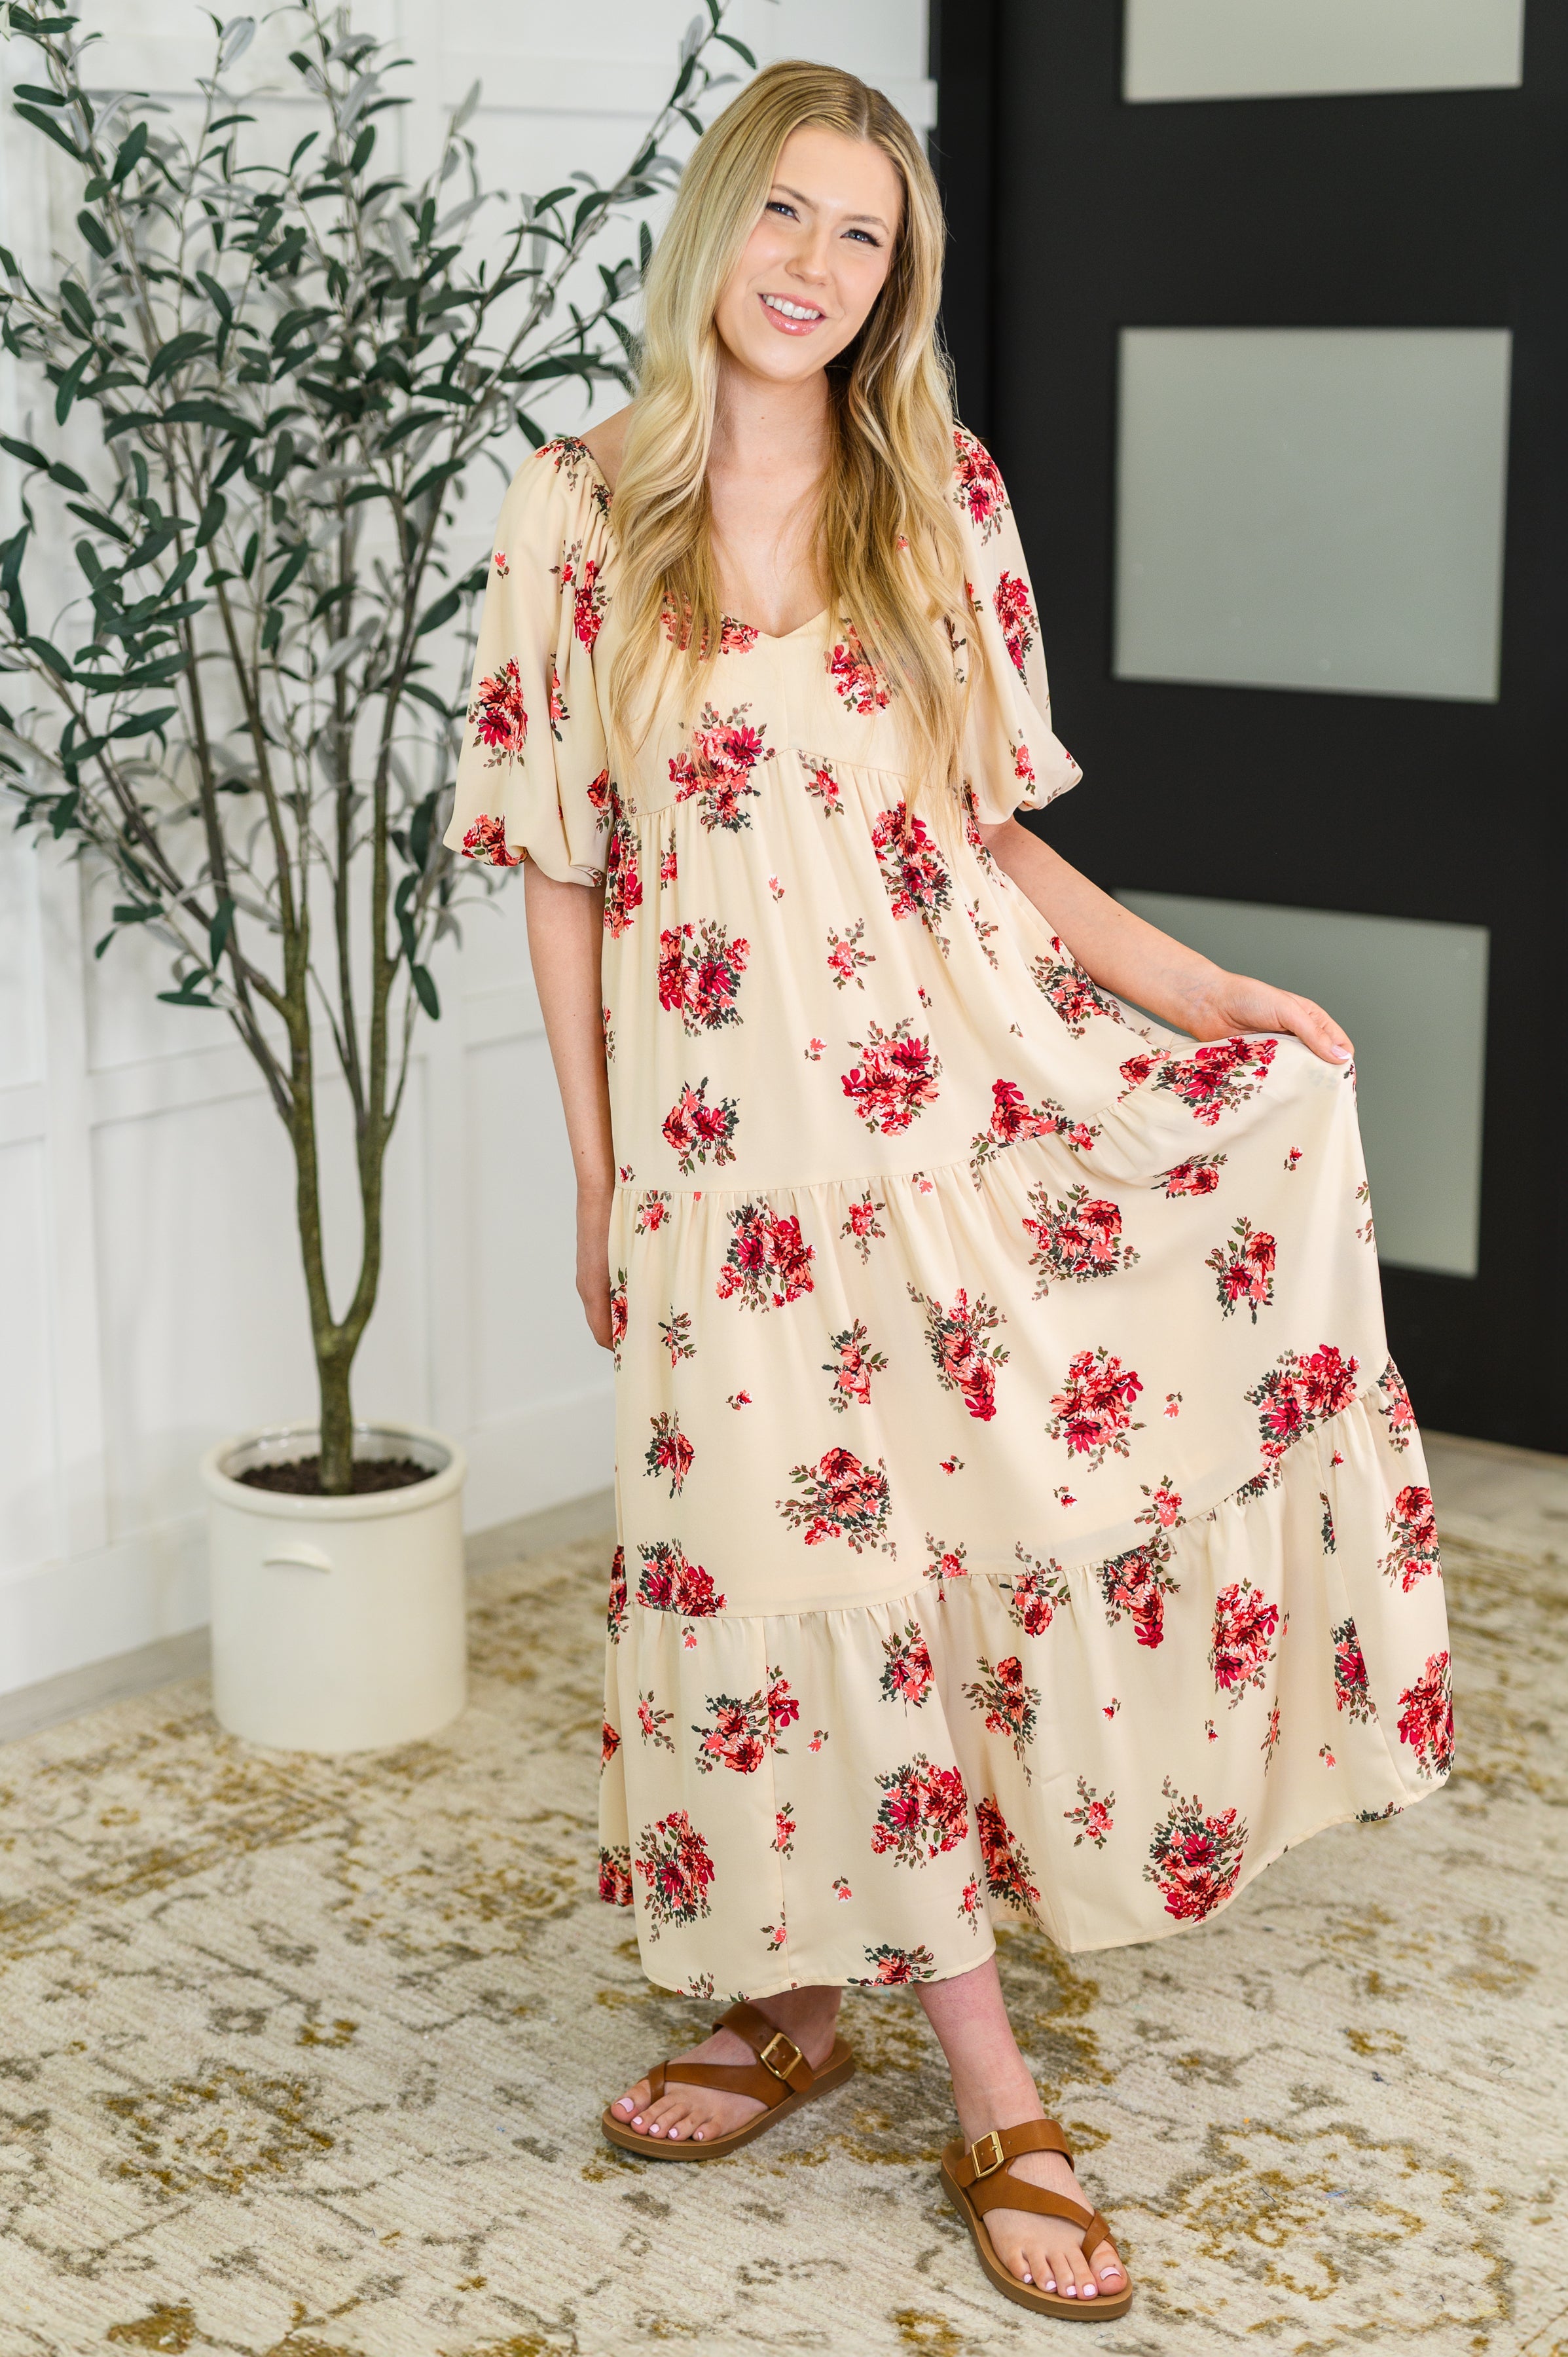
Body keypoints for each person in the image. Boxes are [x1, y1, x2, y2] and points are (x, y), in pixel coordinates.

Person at [444, 59, 1453, 2323]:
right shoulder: (576, 510)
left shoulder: (938, 490)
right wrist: (603, 1185)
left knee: (924, 1551)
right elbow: (562, 882)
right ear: (715, 230)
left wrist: (1201, 993)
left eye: (864, 237)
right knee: (766, 1571)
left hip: (947, 1109)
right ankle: (803, 2001)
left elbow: (991, 831)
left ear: (896, 281)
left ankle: (988, 2082)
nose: (814, 267)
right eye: (784, 217)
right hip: (730, 1160)